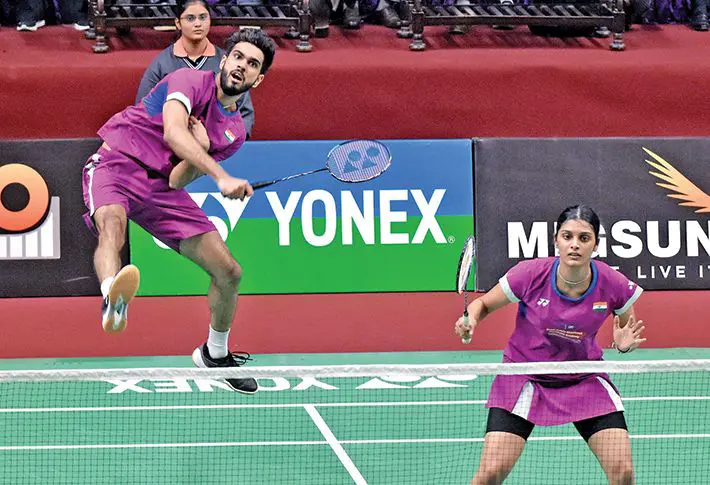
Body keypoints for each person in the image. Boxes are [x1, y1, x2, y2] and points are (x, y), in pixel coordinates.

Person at [82, 28, 276, 394]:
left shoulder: (233, 131)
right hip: (116, 162)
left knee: (229, 271)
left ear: (258, 78)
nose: (242, 66)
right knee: (112, 225)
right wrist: (221, 176)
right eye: (238, 57)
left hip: (160, 188)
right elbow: (173, 132)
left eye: (253, 64)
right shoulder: (188, 80)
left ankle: (215, 354)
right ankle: (112, 297)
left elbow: (176, 180)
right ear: (224, 60)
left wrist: (204, 149)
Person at [454, 205, 646, 485]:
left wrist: (623, 346)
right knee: (490, 473)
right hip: (524, 375)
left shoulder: (612, 283)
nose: (574, 245)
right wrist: (470, 320)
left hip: (583, 377)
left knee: (623, 472)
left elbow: (627, 329)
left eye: (584, 238)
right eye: (567, 236)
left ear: (595, 244)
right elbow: (482, 304)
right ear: (556, 240)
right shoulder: (531, 274)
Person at [135, 0, 256, 138]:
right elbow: (143, 112)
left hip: (218, 144)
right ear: (178, 23)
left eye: (203, 17)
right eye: (190, 18)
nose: (198, 24)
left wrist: (224, 143)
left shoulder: (228, 63)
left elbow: (245, 114)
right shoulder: (162, 64)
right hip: (171, 143)